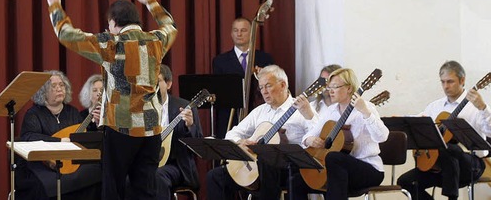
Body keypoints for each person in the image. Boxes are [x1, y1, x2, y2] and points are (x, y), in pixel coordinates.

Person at [43, 0, 176, 199]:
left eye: (109, 25)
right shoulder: (156, 40)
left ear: (114, 22)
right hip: (152, 129)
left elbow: (67, 35)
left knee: (113, 188)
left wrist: (54, 5)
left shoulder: (111, 43)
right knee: (146, 191)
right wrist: (149, 1)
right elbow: (170, 25)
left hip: (120, 128)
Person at [206, 65, 316, 200]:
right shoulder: (260, 111)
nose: (264, 92)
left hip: (288, 168)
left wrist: (309, 115)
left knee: (266, 163)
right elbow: (232, 133)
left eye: (268, 86)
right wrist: (241, 142)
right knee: (215, 176)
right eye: (261, 87)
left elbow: (317, 136)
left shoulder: (302, 109)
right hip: (255, 167)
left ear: (282, 85)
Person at [397, 61, 490, 200]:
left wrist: (483, 108)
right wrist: (400, 120)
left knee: (450, 148)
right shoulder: (436, 106)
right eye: (443, 82)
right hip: (439, 166)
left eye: (450, 81)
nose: (446, 86)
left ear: (462, 80)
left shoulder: (474, 106)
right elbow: (419, 120)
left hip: (470, 165)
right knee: (405, 182)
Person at [292, 68, 389, 199]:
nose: (329, 91)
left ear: (349, 88)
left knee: (333, 158)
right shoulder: (331, 111)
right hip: (339, 171)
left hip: (368, 169)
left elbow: (382, 137)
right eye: (329, 87)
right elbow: (308, 136)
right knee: (296, 180)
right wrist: (309, 140)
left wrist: (365, 112)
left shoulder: (366, 107)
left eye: (335, 87)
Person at [15, 70, 102, 200]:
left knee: (97, 172)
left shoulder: (72, 112)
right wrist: (59, 141)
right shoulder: (34, 114)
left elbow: (80, 137)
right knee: (41, 184)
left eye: (61, 85)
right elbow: (28, 137)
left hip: (69, 162)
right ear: (43, 92)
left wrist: (96, 124)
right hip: (42, 163)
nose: (59, 89)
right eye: (53, 86)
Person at [212, 17, 275, 139]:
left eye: (243, 30)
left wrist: (262, 75)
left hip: (258, 116)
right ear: (231, 33)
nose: (239, 34)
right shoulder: (220, 61)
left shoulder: (265, 59)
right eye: (235, 30)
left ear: (251, 33)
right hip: (229, 117)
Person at [154, 64, 203, 200]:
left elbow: (198, 143)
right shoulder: (142, 108)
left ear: (168, 84)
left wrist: (190, 126)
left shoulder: (185, 107)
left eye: (157, 82)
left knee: (157, 176)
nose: (152, 86)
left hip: (177, 165)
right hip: (150, 162)